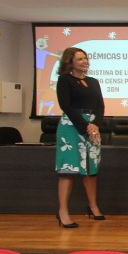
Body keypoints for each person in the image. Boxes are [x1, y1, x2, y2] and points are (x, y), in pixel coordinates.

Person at [55, 47, 105, 228]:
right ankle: (63, 212)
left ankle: (93, 206)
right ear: (70, 62)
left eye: (86, 58)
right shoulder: (64, 80)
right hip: (71, 127)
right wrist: (85, 126)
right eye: (80, 59)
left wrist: (95, 124)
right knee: (68, 170)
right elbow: (66, 106)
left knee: (91, 170)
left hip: (93, 128)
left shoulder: (93, 82)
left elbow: (100, 106)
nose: (85, 61)